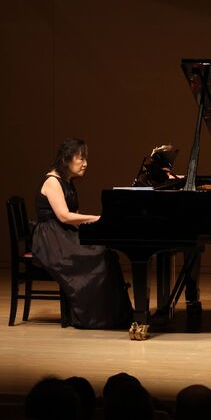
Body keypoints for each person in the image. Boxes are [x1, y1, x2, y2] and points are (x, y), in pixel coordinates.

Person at [32, 138, 132, 329]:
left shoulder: (67, 182)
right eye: (81, 159)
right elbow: (64, 216)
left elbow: (74, 216)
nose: (85, 163)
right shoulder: (52, 182)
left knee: (107, 252)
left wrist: (95, 230)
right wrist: (98, 218)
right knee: (98, 256)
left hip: (63, 234)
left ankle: (113, 315)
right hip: (51, 239)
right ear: (67, 159)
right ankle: (94, 317)